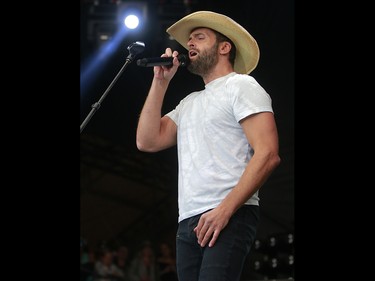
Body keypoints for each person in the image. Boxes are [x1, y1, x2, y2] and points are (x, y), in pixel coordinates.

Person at [136, 10, 281, 281]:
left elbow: (268, 154)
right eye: (189, 39)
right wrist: (160, 82)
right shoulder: (189, 102)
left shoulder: (241, 86)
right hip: (188, 220)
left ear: (224, 47)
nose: (190, 43)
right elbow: (147, 140)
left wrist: (225, 210)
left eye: (199, 37)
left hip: (229, 212)